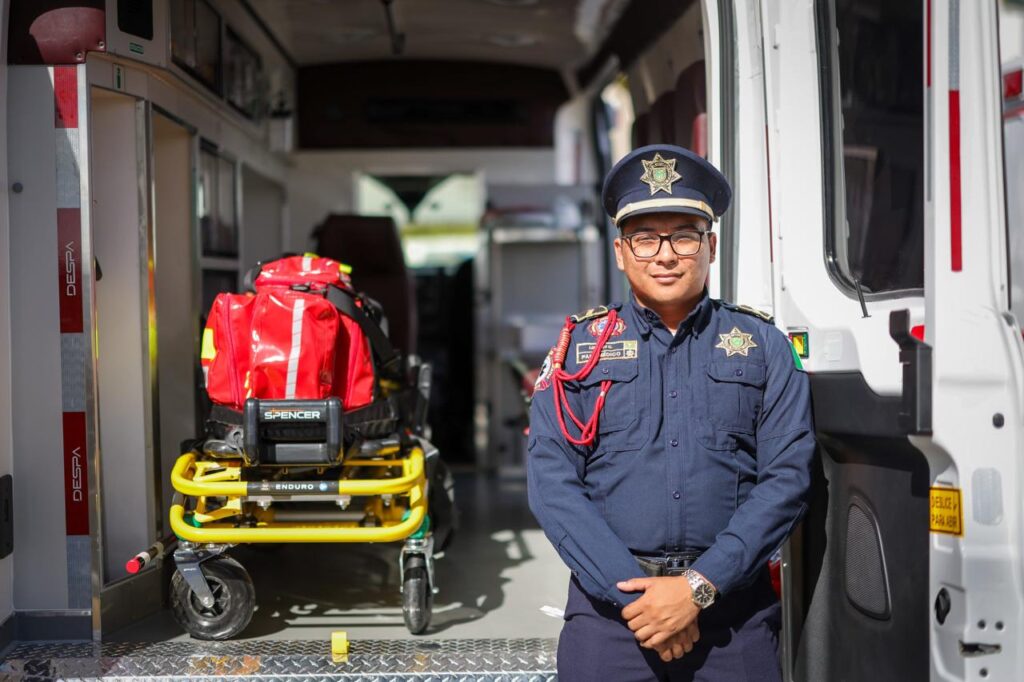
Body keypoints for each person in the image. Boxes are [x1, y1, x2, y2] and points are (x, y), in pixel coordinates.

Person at [527, 144, 814, 681]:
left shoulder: (763, 346)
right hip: (611, 619)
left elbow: (787, 478)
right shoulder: (577, 352)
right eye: (645, 238)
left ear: (711, 245)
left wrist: (698, 589)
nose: (665, 255)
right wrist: (642, 603)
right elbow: (552, 486)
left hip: (732, 618)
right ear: (621, 252)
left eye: (683, 235)